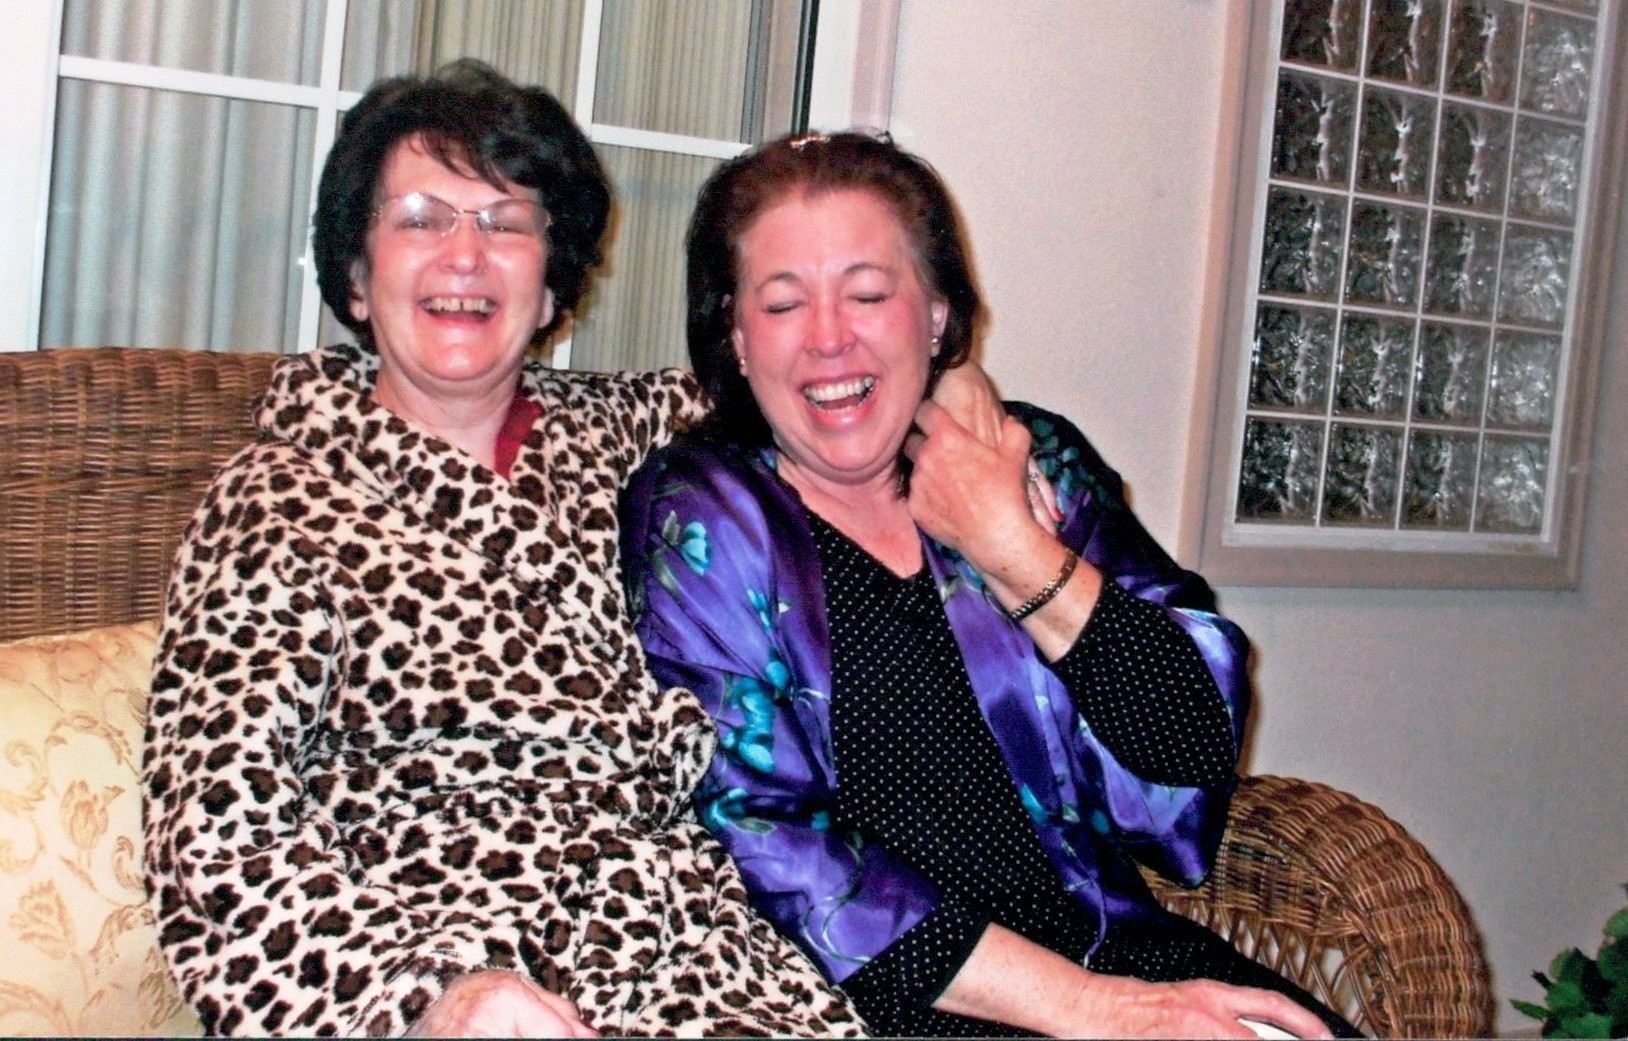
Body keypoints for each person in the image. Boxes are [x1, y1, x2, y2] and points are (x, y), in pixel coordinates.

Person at [142, 61, 884, 1038]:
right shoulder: (276, 504)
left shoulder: (629, 438)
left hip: (703, 957)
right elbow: (216, 838)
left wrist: (942, 389)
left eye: (505, 223)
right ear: (357, 278)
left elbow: (809, 390)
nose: (465, 255)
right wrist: (431, 1001)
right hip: (446, 970)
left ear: (548, 289)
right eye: (421, 219)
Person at [620, 131, 1361, 1039]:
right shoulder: (704, 517)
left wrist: (1009, 544)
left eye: (868, 293)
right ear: (736, 337)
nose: (828, 338)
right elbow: (762, 834)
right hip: (906, 1001)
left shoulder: (1031, 457)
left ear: (935, 315)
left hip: (1126, 958)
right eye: (782, 303)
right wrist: (1094, 1010)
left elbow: (1190, 745)